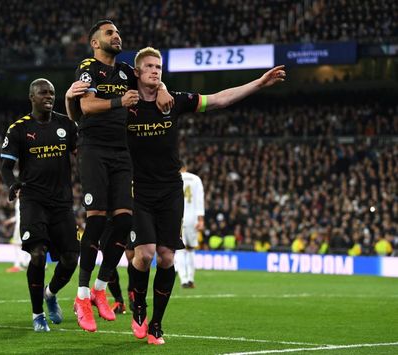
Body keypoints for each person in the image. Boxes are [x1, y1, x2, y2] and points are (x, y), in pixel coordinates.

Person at [123, 47, 286, 345]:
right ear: (137, 72)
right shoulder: (125, 104)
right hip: (139, 189)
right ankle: (139, 305)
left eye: (158, 67)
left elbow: (219, 100)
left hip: (170, 189)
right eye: (148, 66)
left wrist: (259, 83)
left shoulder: (174, 102)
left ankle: (156, 325)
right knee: (144, 255)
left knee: (167, 257)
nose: (155, 70)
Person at [66, 19, 173, 333]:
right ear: (96, 42)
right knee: (97, 220)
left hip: (121, 151)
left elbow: (149, 79)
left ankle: (100, 288)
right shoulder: (89, 68)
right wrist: (117, 101)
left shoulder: (127, 71)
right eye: (109, 32)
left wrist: (164, 87)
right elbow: (85, 105)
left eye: (118, 32)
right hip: (94, 148)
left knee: (125, 222)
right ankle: (82, 296)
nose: (117, 36)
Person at [0, 78, 80, 332]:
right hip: (33, 200)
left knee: (70, 258)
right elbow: (5, 166)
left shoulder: (66, 125)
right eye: (43, 93)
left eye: (52, 93)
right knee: (37, 254)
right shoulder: (18, 129)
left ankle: (50, 293)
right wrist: (11, 184)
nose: (49, 96)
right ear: (31, 97)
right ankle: (37, 315)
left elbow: (83, 155)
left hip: (62, 202)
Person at [175, 162, 205, 288]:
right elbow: (199, 199)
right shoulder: (195, 179)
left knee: (180, 250)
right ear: (185, 167)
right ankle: (191, 279)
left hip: (178, 217)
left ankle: (184, 280)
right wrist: (201, 219)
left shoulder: (174, 178)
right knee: (191, 249)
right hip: (192, 218)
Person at [4, 198, 31, 273]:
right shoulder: (27, 199)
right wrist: (10, 221)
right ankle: (26, 263)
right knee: (25, 244)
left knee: (17, 245)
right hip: (25, 225)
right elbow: (19, 214)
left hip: (20, 226)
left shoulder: (21, 200)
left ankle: (18, 265)